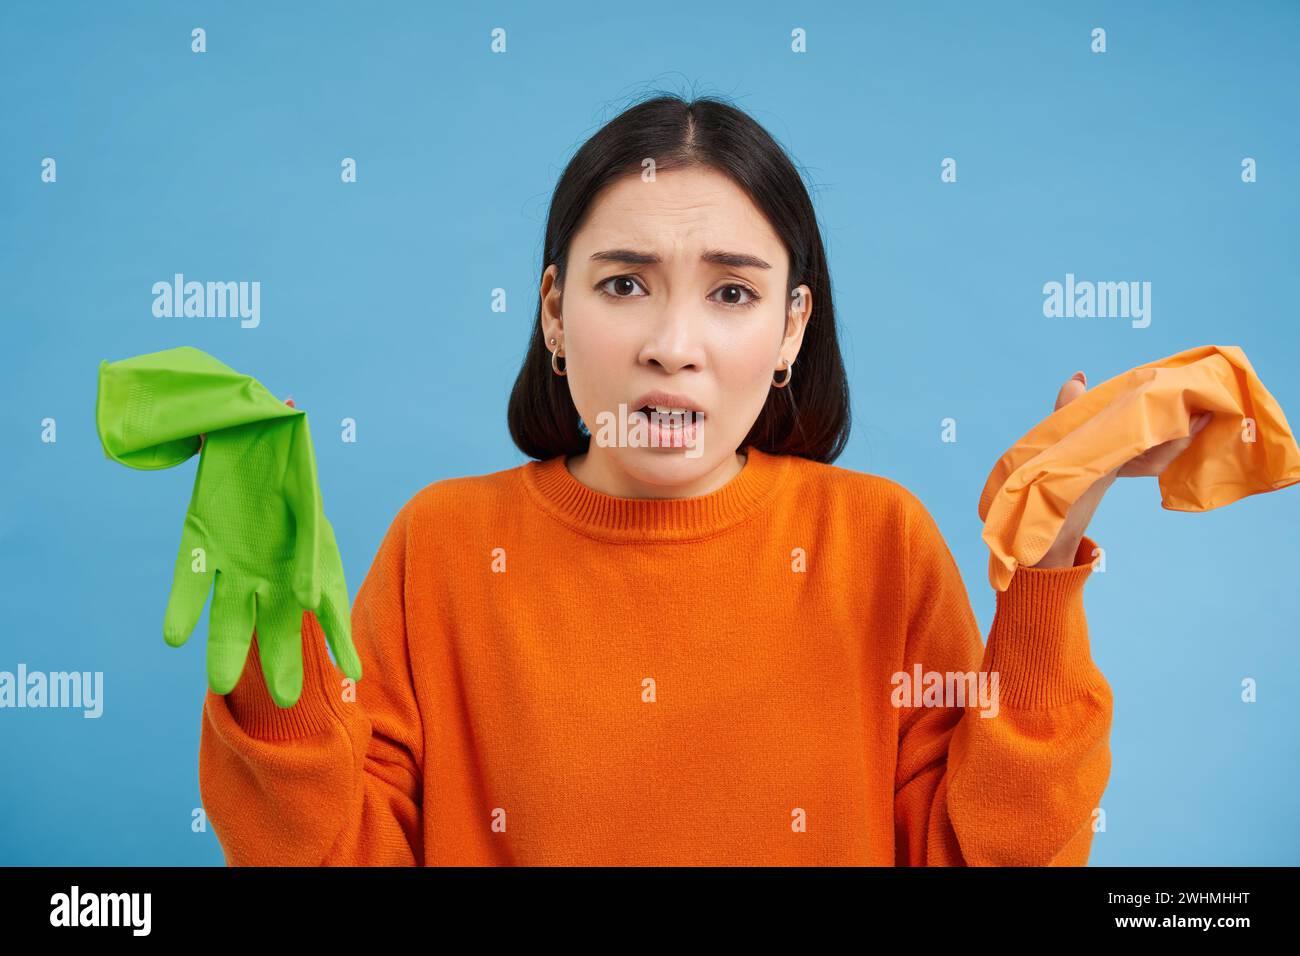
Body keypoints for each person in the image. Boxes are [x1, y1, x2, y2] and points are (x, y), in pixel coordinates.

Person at [197, 94, 1210, 866]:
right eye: (623, 284)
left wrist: (1043, 562)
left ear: (789, 330)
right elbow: (330, 852)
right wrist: (270, 637)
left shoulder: (877, 542)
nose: (671, 345)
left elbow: (988, 852)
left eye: (731, 291)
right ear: (554, 314)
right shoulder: (444, 544)